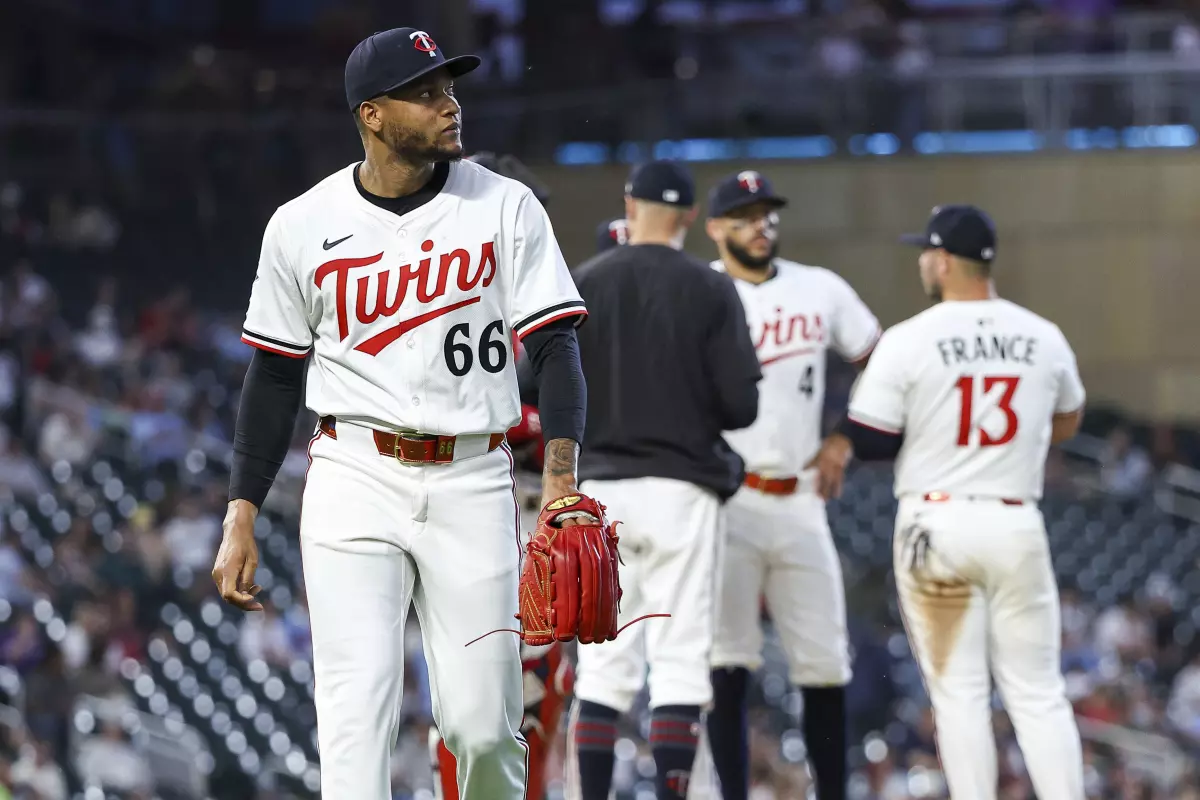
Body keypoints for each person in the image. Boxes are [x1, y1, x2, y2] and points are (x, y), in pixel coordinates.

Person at [210, 27, 589, 800]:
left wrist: (560, 481)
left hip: (472, 474)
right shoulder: (301, 223)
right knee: (356, 715)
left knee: (484, 727)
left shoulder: (505, 205)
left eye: (450, 89)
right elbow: (274, 377)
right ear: (372, 114)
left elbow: (556, 347)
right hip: (353, 472)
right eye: (426, 94)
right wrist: (240, 512)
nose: (450, 105)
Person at [810, 204, 1087, 799]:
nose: (921, 263)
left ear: (941, 260)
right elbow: (1067, 420)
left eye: (924, 253)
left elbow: (873, 436)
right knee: (1039, 693)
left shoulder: (911, 338)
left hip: (936, 521)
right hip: (1014, 518)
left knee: (959, 695)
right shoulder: (1042, 335)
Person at [564, 160, 762, 800]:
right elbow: (742, 406)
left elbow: (538, 385)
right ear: (689, 218)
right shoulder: (711, 288)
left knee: (603, 669)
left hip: (601, 494)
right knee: (678, 667)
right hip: (682, 491)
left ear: (630, 206)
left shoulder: (585, 281)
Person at [703, 169, 880, 800]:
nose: (761, 226)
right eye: (746, 217)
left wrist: (845, 436)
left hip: (802, 495)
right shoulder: (701, 290)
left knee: (825, 662)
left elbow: (882, 362)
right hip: (728, 498)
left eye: (768, 214)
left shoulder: (819, 287)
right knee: (727, 661)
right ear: (715, 227)